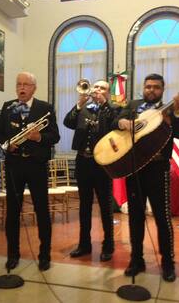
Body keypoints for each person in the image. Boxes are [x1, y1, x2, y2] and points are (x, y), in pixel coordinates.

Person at [114, 73, 179, 282]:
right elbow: (113, 121)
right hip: (134, 170)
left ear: (162, 90)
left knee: (163, 219)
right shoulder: (133, 105)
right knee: (135, 218)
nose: (151, 90)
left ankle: (168, 263)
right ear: (143, 88)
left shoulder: (169, 110)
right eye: (148, 86)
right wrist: (122, 122)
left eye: (156, 87)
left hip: (158, 170)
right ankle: (136, 259)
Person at [0, 72, 60, 271]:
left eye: (26, 84)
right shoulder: (8, 107)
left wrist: (39, 137)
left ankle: (44, 255)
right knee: (12, 212)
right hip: (14, 165)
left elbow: (54, 136)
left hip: (36, 166)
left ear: (34, 88)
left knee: (41, 211)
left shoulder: (45, 108)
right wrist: (7, 145)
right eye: (19, 84)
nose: (22, 88)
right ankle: (12, 254)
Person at [63, 80, 119, 261]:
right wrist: (79, 104)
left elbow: (115, 125)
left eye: (102, 88)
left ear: (108, 93)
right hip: (83, 163)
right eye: (96, 87)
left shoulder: (112, 110)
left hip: (102, 165)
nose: (97, 90)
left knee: (105, 206)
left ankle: (108, 246)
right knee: (84, 207)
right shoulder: (84, 108)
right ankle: (84, 245)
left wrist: (105, 104)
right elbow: (68, 122)